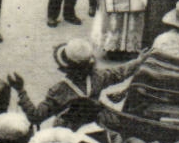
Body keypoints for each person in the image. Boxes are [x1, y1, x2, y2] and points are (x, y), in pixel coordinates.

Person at [9, 38, 145, 126]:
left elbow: (36, 116)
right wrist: (139, 61)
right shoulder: (99, 77)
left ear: (65, 65)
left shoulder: (59, 90)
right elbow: (120, 72)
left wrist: (21, 91)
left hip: (68, 130)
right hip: (95, 123)